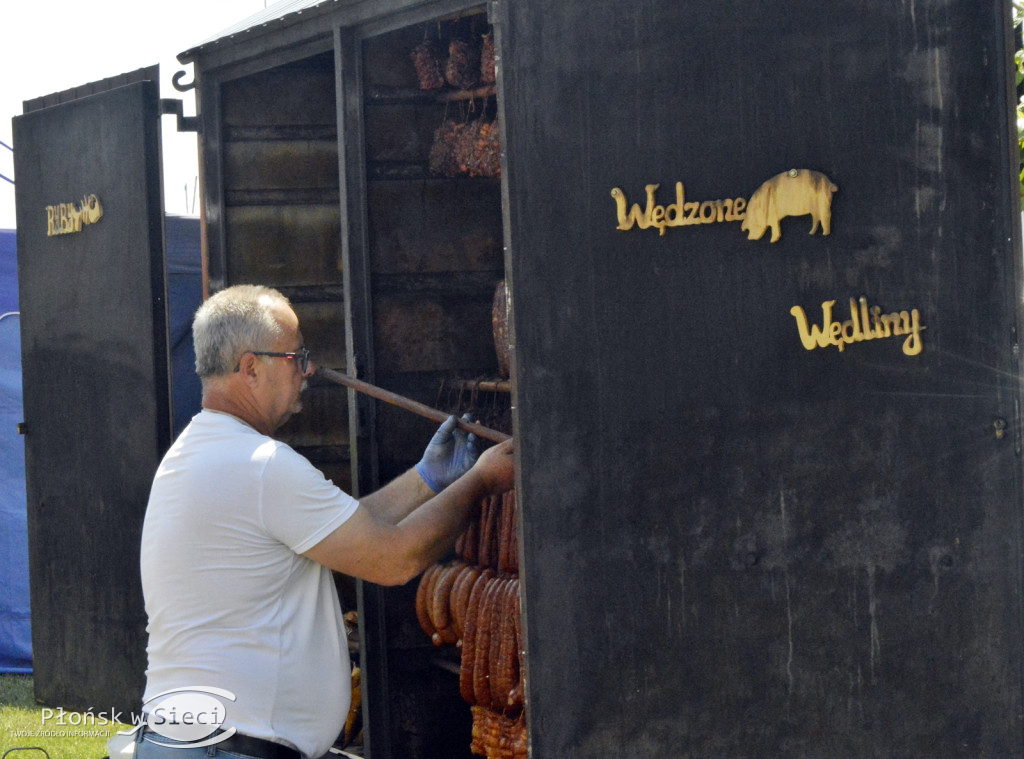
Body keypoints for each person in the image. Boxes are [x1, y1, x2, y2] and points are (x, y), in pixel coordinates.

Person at [134, 284, 515, 759]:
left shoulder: (199, 452)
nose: (308, 369)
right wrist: (480, 482)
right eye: (296, 356)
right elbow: (392, 560)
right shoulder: (261, 465)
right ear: (250, 367)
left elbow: (352, 529)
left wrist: (426, 480)